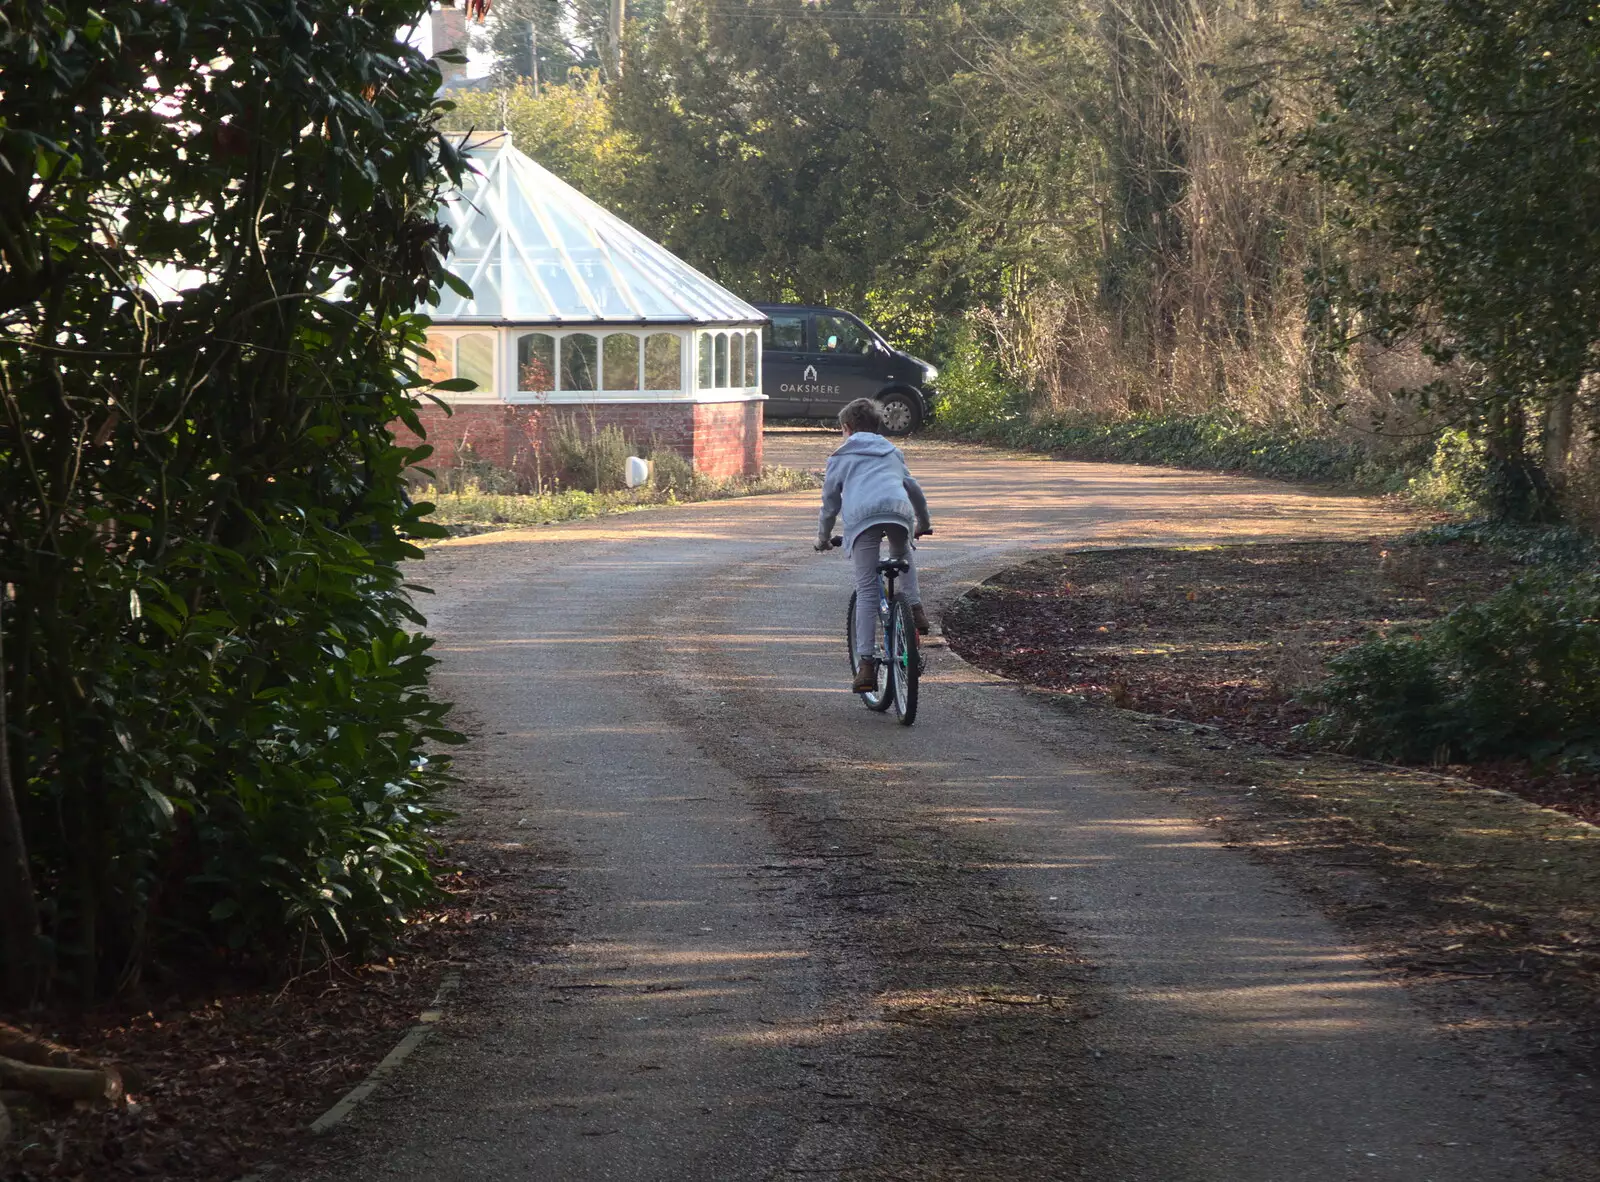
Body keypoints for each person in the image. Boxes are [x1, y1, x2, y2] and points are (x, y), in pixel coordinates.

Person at [815, 398, 932, 692]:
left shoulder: (840, 456)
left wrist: (823, 538)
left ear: (847, 428)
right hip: (898, 510)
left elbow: (830, 505)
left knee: (867, 588)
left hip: (863, 518)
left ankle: (866, 665)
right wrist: (924, 523)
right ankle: (916, 609)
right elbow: (913, 488)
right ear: (878, 425)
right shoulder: (892, 451)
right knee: (902, 553)